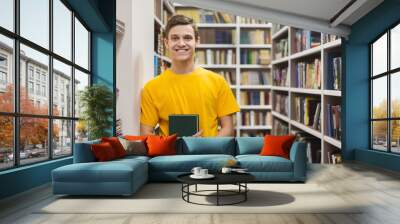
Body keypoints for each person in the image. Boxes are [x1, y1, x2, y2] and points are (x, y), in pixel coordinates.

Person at [140, 15, 239, 137]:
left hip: (211, 155)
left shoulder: (218, 82)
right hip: (170, 156)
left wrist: (205, 146)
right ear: (166, 42)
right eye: (175, 38)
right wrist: (173, 145)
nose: (181, 43)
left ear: (197, 41)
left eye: (187, 38)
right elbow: (146, 133)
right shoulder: (151, 88)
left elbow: (228, 128)